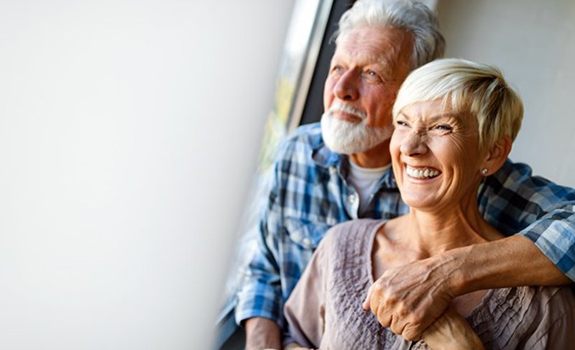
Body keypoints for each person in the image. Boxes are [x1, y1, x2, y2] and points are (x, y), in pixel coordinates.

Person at [231, 0, 575, 348]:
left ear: (418, 86)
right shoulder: (297, 154)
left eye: (371, 74)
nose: (341, 89)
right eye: (337, 68)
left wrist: (447, 273)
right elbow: (265, 270)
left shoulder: (490, 184)